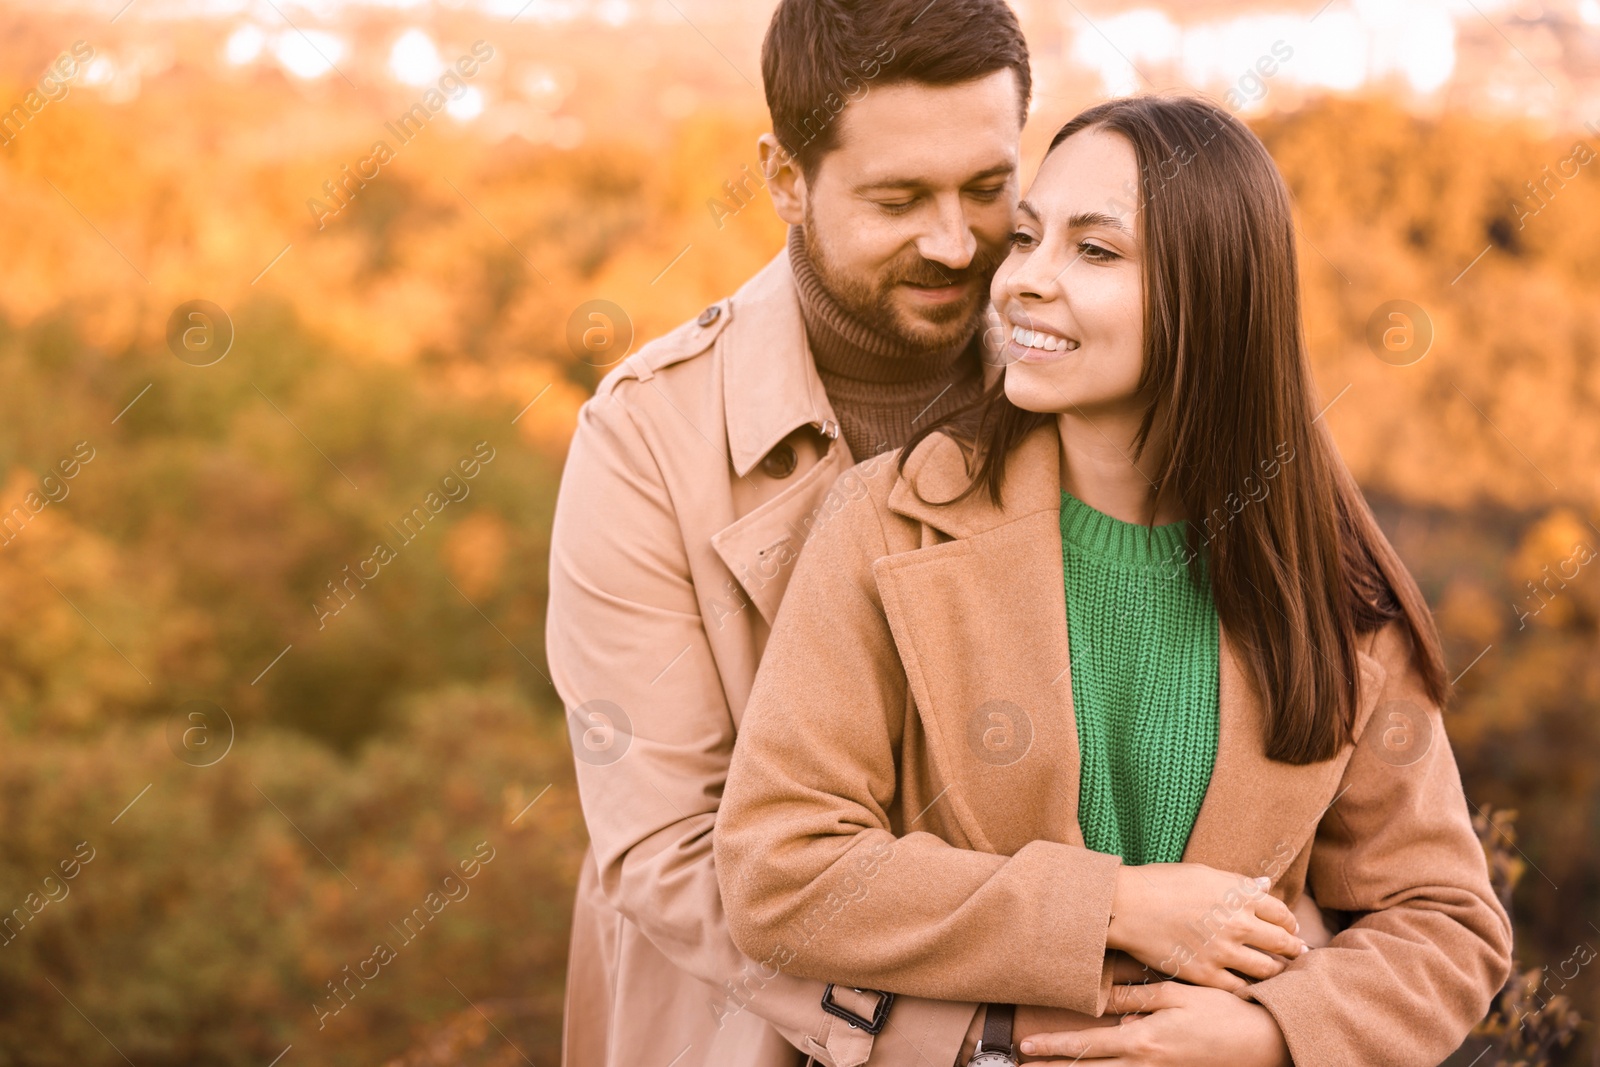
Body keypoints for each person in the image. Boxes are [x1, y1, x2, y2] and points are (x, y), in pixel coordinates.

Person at [714, 95, 1513, 1067]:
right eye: (1025, 237)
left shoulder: (1330, 588)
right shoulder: (883, 520)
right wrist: (1111, 905)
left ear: (1209, 298)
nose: (1021, 282)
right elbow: (779, 870)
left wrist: (1270, 1031)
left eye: (1094, 252)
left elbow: (1441, 919)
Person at [546, 2, 1037, 1064]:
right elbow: (668, 844)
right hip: (749, 1030)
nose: (955, 242)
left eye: (988, 189)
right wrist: (964, 1036)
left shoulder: (1092, 388)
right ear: (784, 178)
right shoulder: (643, 437)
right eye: (899, 198)